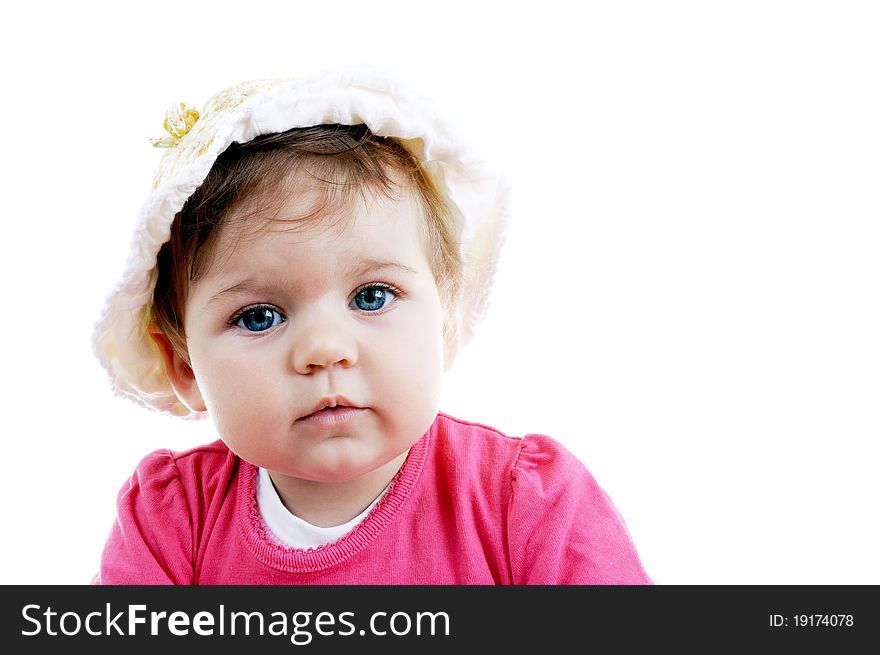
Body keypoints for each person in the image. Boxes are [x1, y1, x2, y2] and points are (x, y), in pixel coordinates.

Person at [92, 67, 652, 584]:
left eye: (372, 296)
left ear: (447, 320)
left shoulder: (527, 503)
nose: (325, 350)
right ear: (184, 366)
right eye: (259, 316)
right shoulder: (171, 522)